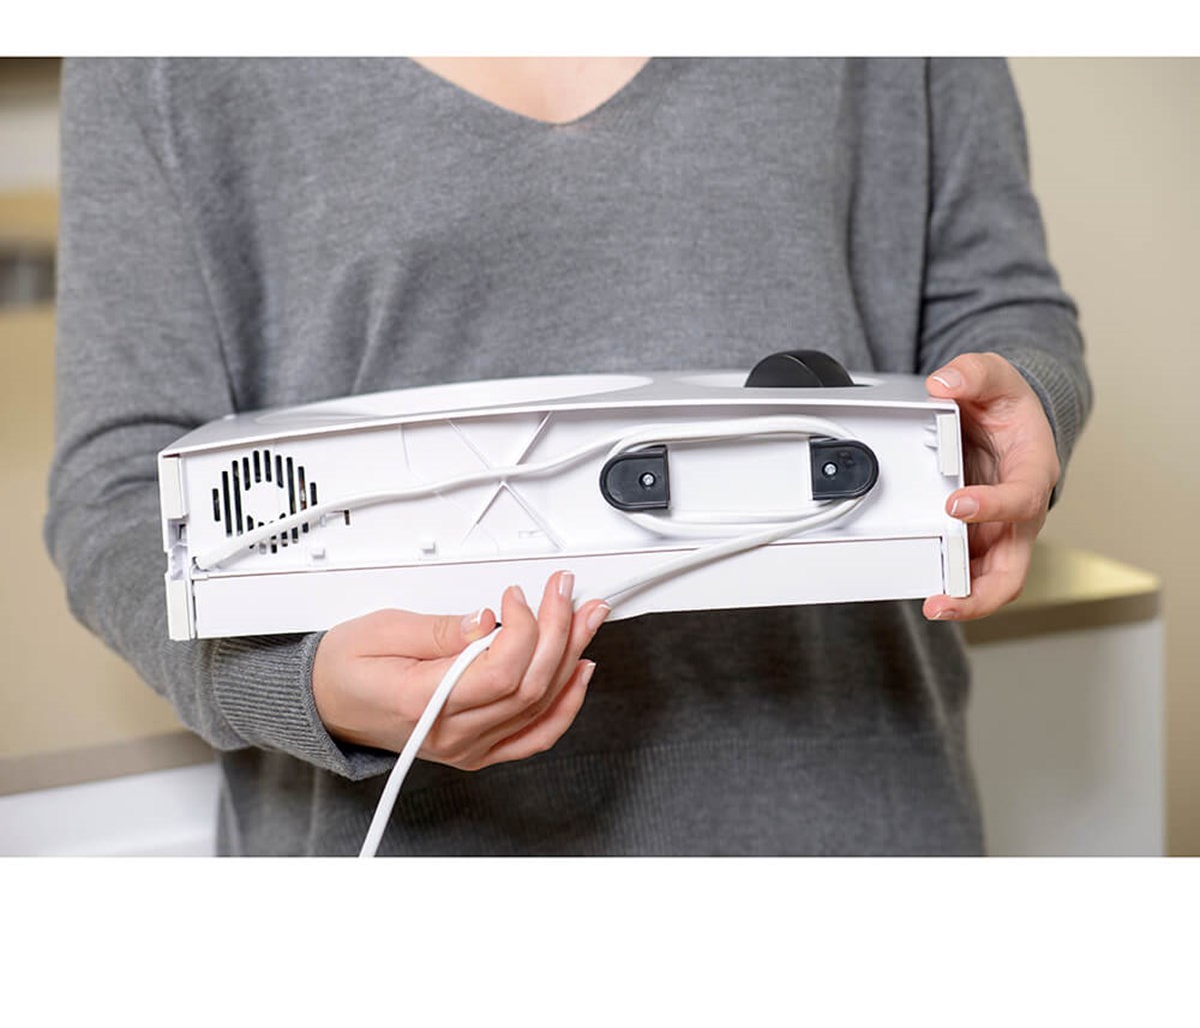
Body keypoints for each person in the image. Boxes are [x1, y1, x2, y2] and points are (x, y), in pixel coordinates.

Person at [46, 57, 1090, 856]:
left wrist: (1029, 404)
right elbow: (121, 485)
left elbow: (1000, 304)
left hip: (858, 819)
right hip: (406, 858)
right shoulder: (168, 52)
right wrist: (296, 686)